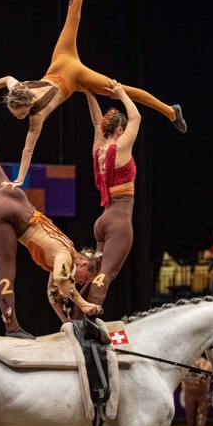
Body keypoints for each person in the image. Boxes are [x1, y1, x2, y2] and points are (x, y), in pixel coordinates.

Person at [0, 0, 186, 189]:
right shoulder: (18, 88)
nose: (19, 118)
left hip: (74, 75)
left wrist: (20, 178)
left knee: (123, 91)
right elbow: (6, 79)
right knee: (73, 15)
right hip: (61, 60)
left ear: (28, 105)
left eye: (20, 114)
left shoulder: (36, 117)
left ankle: (171, 111)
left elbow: (28, 147)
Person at [0, 90, 104, 338]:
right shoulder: (64, 255)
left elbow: (54, 292)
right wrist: (84, 304)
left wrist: (67, 322)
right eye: (85, 277)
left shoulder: (67, 252)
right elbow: (62, 281)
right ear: (82, 263)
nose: (81, 282)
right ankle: (12, 328)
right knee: (6, 270)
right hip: (10, 215)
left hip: (14, 198)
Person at [72, 82, 140, 319]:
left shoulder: (99, 150)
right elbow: (136, 116)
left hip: (103, 221)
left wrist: (89, 93)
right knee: (105, 276)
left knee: (94, 275)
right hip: (119, 221)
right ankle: (88, 324)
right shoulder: (121, 147)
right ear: (120, 130)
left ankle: (76, 320)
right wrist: (122, 94)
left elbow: (95, 121)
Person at [181, 354, 212, 426]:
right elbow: (182, 379)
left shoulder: (207, 364)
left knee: (200, 421)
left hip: (202, 394)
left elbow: (204, 379)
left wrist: (195, 370)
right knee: (190, 422)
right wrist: (185, 391)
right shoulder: (187, 362)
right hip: (189, 394)